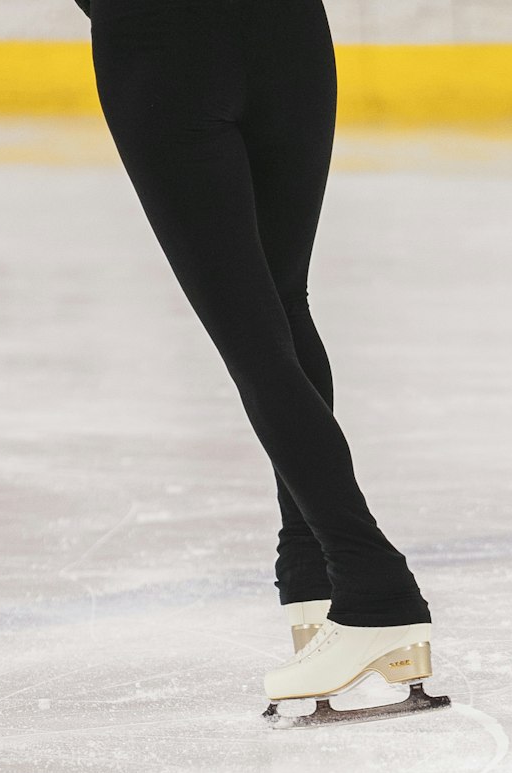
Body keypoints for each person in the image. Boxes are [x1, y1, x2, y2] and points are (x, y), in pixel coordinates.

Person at [76, 0, 447, 723]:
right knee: (280, 305)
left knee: (251, 330)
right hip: (288, 32)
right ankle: (311, 575)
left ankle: (375, 591)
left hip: (160, 43)